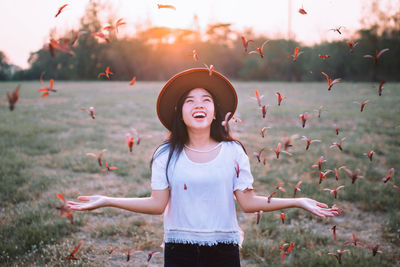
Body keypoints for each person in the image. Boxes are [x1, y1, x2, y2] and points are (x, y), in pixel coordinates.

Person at [68, 68, 340, 267]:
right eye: (189, 100)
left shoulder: (234, 152)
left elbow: (247, 202)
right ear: (180, 113)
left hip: (224, 250)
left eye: (206, 99)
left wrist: (299, 201)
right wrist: (106, 200)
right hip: (179, 250)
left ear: (215, 112)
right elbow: (156, 204)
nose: (198, 104)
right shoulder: (166, 153)